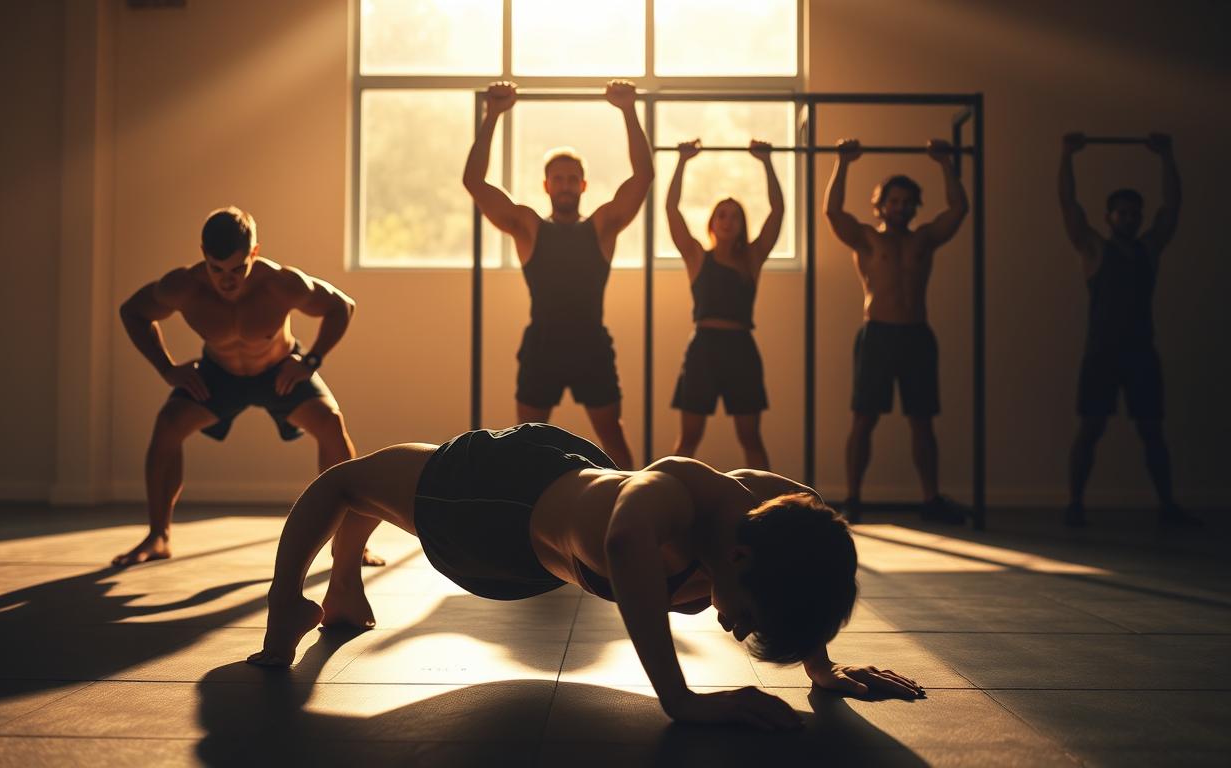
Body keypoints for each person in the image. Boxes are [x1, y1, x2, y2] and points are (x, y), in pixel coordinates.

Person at [247, 422, 925, 729]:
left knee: (371, 493)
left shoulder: (768, 509)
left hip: (566, 480)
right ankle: (286, 605)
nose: (739, 628)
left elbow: (811, 543)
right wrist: (679, 699)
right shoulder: (673, 498)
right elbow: (627, 536)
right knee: (351, 484)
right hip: (499, 512)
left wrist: (821, 666)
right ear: (742, 560)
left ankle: (342, 584)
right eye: (752, 617)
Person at [116, 206, 384, 570]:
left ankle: (349, 543)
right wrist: (166, 369)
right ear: (203, 255)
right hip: (218, 375)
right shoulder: (183, 286)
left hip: (279, 373)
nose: (227, 281)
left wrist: (309, 362)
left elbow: (342, 306)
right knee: (168, 425)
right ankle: (158, 535)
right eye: (216, 269)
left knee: (331, 424)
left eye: (237, 269)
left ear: (254, 254)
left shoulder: (281, 283)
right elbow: (133, 311)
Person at [462, 80, 655, 470]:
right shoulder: (530, 227)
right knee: (526, 439)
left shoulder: (601, 227)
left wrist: (628, 110)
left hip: (591, 345)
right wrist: (493, 115)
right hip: (543, 345)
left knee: (611, 435)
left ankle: (631, 507)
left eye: (572, 179)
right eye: (559, 179)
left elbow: (643, 178)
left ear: (583, 186)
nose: (566, 186)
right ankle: (520, 514)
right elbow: (474, 183)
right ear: (546, 185)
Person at [824, 139, 969, 524]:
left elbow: (959, 209)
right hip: (878, 336)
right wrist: (843, 162)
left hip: (916, 335)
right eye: (894, 201)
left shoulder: (923, 239)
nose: (900, 207)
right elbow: (833, 211)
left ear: (914, 206)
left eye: (907, 202)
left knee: (922, 420)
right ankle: (853, 498)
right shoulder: (868, 239)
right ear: (881, 205)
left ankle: (931, 498)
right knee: (864, 419)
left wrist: (944, 164)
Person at [1057, 133, 1196, 527]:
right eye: (1122, 213)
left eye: (1135, 213)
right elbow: (1069, 204)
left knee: (1152, 431)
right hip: (1101, 353)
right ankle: (1075, 504)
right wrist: (1066, 157)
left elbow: (1172, 207)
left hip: (1140, 353)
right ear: (1110, 217)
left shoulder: (1148, 250)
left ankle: (1168, 506)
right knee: (1091, 429)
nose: (1130, 219)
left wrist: (1167, 157)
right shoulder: (1094, 250)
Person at [665, 138, 784, 470]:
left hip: (740, 348)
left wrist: (767, 162)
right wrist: (682, 162)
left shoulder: (752, 258)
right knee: (689, 437)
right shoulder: (696, 257)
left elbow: (777, 212)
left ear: (742, 223)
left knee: (750, 437)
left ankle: (766, 506)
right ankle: (673, 495)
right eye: (722, 215)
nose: (728, 221)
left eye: (734, 216)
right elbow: (671, 211)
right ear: (712, 222)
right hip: (703, 348)